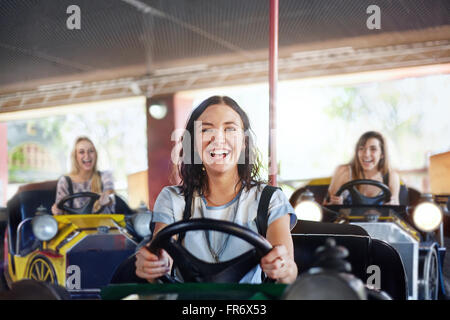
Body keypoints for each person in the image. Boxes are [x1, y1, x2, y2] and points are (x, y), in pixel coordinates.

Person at [135, 96, 298, 284]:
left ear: (244, 142)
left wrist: (282, 267)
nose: (218, 138)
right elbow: (163, 255)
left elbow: (289, 270)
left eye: (230, 129)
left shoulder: (269, 199)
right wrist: (153, 263)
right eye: (206, 130)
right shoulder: (173, 199)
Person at [324, 131, 400, 205]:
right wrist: (334, 204)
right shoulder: (344, 171)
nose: (366, 154)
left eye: (373, 149)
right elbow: (326, 206)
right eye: (361, 148)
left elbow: (396, 208)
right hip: (346, 218)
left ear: (382, 154)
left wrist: (392, 204)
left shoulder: (391, 176)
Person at [51, 136, 115, 215]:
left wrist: (108, 199)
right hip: (75, 226)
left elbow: (111, 195)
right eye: (81, 152)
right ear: (75, 157)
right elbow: (61, 210)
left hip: (103, 225)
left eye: (91, 151)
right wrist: (58, 211)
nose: (87, 156)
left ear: (95, 154)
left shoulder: (105, 176)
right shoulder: (65, 181)